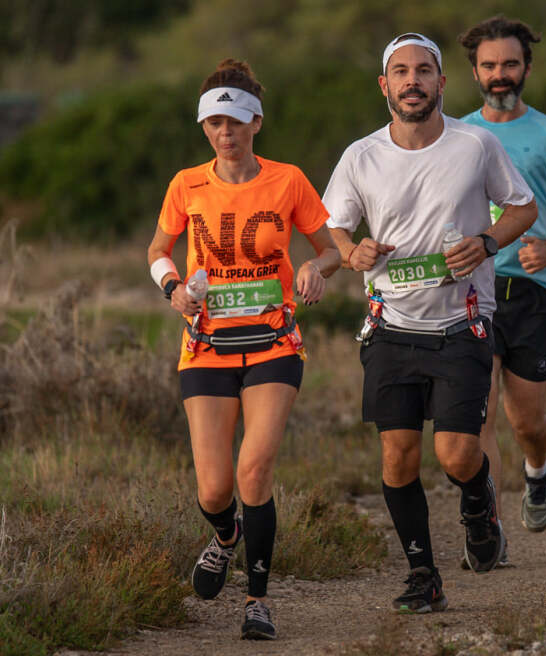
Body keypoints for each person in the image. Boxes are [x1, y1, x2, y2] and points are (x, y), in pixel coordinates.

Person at [322, 33, 537, 613]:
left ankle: (478, 499)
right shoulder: (360, 155)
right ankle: (424, 575)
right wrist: (351, 252)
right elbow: (333, 229)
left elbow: (524, 207)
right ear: (384, 85)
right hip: (390, 323)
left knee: (457, 455)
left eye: (423, 71)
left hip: (462, 323)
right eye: (400, 71)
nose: (411, 81)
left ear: (443, 83)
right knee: (397, 457)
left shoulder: (476, 145)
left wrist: (488, 241)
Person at [145, 59, 340, 640]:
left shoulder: (288, 180)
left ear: (256, 121)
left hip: (274, 341)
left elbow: (329, 248)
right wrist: (172, 286)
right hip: (206, 344)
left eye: (234, 121)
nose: (224, 133)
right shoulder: (186, 184)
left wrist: (315, 267)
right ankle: (225, 537)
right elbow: (158, 248)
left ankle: (257, 600)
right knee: (214, 488)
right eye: (213, 124)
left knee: (254, 470)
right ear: (204, 128)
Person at [458, 15, 546, 539]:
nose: (501, 74)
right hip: (473, 288)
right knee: (479, 418)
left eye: (510, 64)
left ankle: (538, 470)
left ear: (527, 68)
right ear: (474, 71)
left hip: (536, 291)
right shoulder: (457, 134)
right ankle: (487, 526)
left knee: (527, 422)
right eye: (490, 65)